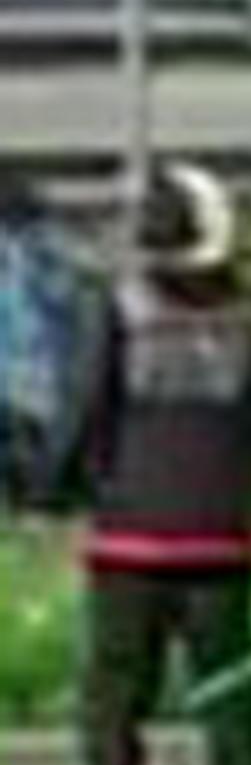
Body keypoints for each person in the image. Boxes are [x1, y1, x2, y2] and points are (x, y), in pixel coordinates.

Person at [66, 165, 251, 765]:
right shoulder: (249, 316)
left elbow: (91, 408)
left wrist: (73, 487)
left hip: (131, 521)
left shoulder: (121, 308)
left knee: (118, 674)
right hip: (222, 520)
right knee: (231, 671)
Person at [1, 165, 93, 514]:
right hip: (47, 386)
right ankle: (38, 494)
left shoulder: (37, 252)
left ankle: (30, 494)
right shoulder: (56, 250)